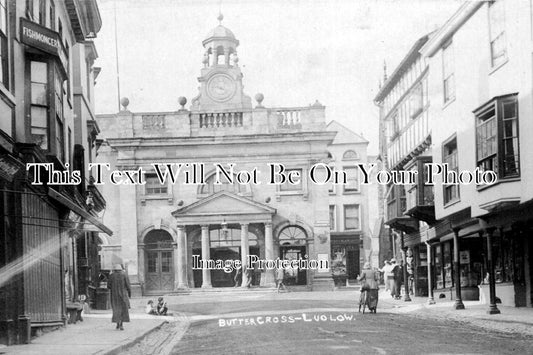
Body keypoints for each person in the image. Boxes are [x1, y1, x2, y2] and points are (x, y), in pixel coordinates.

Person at [107, 264, 131, 330]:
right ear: (121, 269)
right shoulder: (124, 275)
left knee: (116, 309)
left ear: (114, 269)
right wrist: (129, 293)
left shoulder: (112, 275)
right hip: (123, 295)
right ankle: (121, 325)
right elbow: (128, 285)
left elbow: (108, 286)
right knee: (123, 309)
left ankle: (117, 324)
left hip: (114, 295)